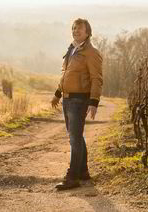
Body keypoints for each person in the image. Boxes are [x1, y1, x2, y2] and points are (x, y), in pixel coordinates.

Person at [51, 18, 103, 190]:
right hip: (67, 98)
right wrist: (58, 94)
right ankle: (83, 172)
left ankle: (72, 177)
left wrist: (94, 102)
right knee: (77, 137)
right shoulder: (72, 49)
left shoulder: (91, 52)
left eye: (79, 29)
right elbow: (66, 74)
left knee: (74, 138)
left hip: (79, 100)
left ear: (87, 32)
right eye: (73, 28)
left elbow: (97, 79)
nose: (75, 31)